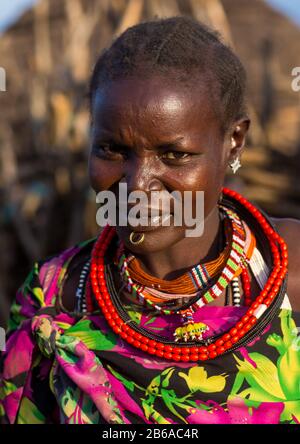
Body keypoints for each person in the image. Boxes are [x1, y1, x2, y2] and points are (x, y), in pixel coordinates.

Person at [1, 16, 300, 425]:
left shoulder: (291, 274)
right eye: (111, 149)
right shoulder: (53, 300)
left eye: (174, 155)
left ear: (234, 142)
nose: (137, 187)